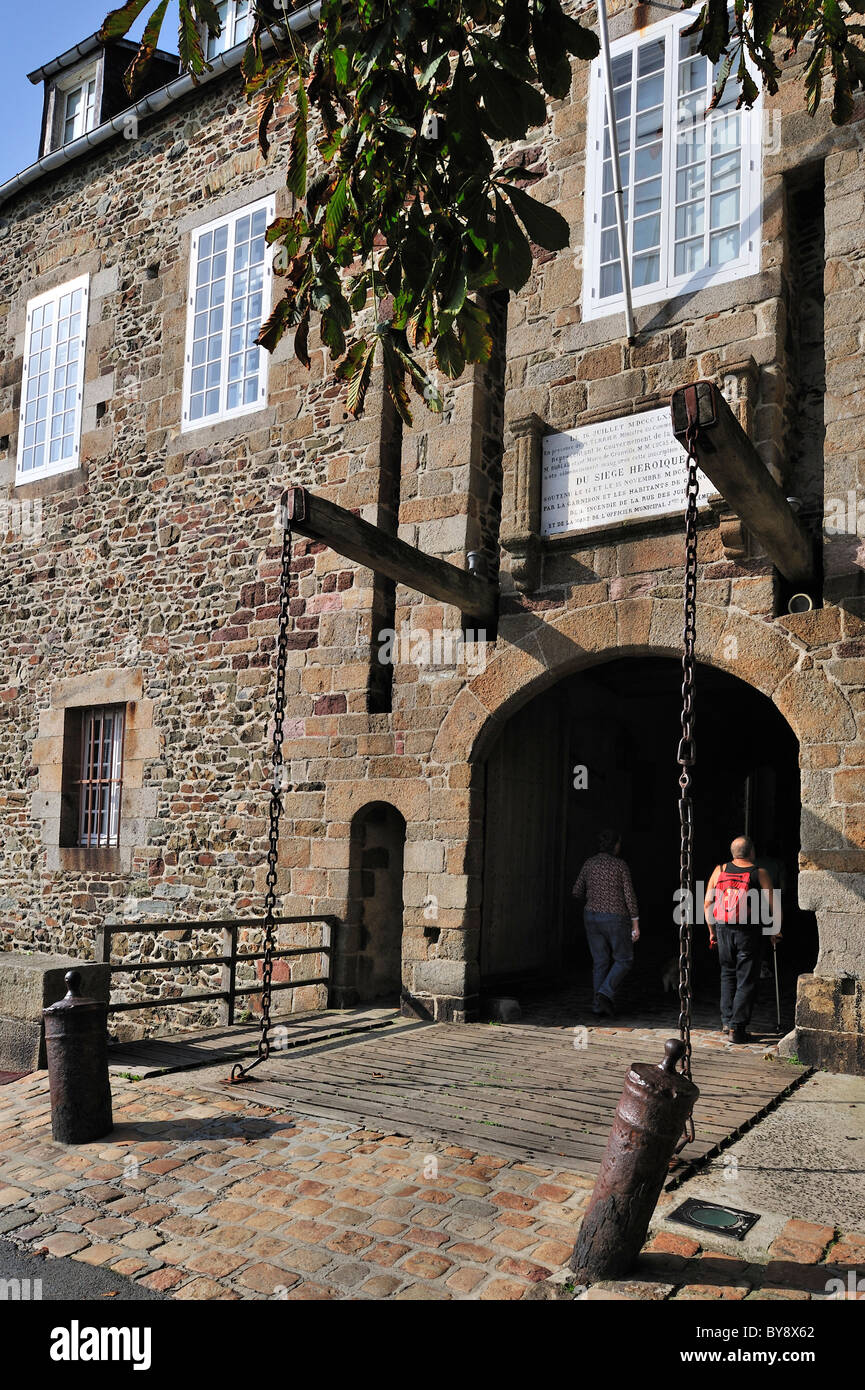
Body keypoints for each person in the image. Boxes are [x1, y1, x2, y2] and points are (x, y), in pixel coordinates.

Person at [704, 834, 781, 1044]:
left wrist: (712, 931)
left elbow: (707, 904)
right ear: (752, 852)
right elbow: (774, 904)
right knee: (746, 979)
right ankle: (737, 1029)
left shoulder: (719, 870)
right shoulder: (759, 873)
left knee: (727, 975)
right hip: (749, 932)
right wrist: (775, 930)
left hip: (723, 929)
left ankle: (727, 1022)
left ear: (733, 853)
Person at [572, 829, 639, 1017]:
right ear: (614, 845)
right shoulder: (620, 866)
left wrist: (593, 896)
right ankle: (605, 992)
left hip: (591, 917)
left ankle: (597, 1005)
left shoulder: (589, 864)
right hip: (615, 918)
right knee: (624, 959)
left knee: (600, 961)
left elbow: (576, 891)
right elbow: (629, 896)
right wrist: (635, 922)